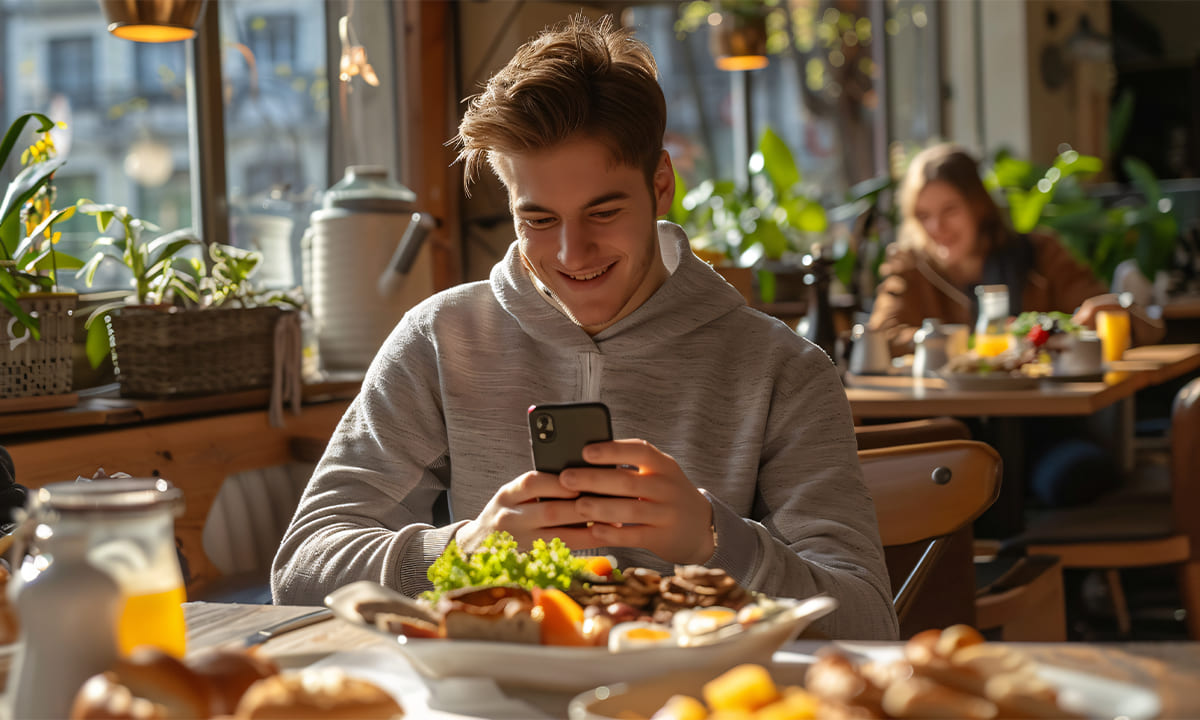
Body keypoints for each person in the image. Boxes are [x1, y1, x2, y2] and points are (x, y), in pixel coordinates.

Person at [272, 14, 897, 640]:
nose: (573, 254)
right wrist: (460, 550)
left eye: (603, 210)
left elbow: (868, 622)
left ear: (660, 185)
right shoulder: (441, 339)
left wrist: (714, 539)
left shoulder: (784, 370)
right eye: (539, 219)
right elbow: (299, 570)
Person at [869, 143, 1165, 357]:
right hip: (947, 425)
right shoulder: (910, 268)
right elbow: (881, 337)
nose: (937, 227)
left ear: (978, 206)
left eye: (950, 210)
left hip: (1044, 418)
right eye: (923, 216)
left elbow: (1137, 324)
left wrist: (1093, 320)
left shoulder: (1040, 254)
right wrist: (975, 344)